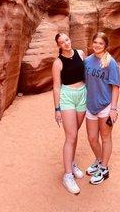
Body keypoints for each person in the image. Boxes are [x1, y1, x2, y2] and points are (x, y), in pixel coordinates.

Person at [52, 33, 86, 194]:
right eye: (62, 42)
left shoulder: (80, 53)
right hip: (67, 97)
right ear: (59, 46)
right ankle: (67, 176)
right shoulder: (58, 63)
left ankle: (71, 163)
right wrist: (57, 108)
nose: (66, 43)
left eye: (66, 39)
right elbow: (57, 86)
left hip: (82, 95)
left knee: (75, 133)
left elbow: (87, 75)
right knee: (70, 136)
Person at [84, 32, 120, 185]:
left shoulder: (110, 63)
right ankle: (99, 161)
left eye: (101, 43)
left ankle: (104, 169)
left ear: (105, 46)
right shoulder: (87, 61)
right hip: (90, 106)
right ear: (92, 43)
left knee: (105, 138)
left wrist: (113, 109)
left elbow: (115, 87)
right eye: (95, 42)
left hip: (105, 107)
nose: (97, 45)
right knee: (92, 139)